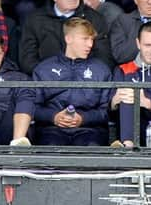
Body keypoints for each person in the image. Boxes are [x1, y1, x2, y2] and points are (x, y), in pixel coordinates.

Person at [33, 18, 111, 146]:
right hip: (51, 130)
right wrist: (54, 117)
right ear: (68, 39)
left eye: (91, 39)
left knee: (90, 150)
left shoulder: (102, 70)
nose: (90, 44)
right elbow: (33, 107)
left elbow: (106, 111)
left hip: (90, 131)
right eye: (85, 39)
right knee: (51, 149)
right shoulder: (44, 69)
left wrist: (83, 118)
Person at [19, 0, 113, 74]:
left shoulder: (94, 19)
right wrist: (51, 75)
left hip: (84, 84)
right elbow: (27, 61)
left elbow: (104, 59)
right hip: (47, 83)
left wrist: (78, 76)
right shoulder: (35, 20)